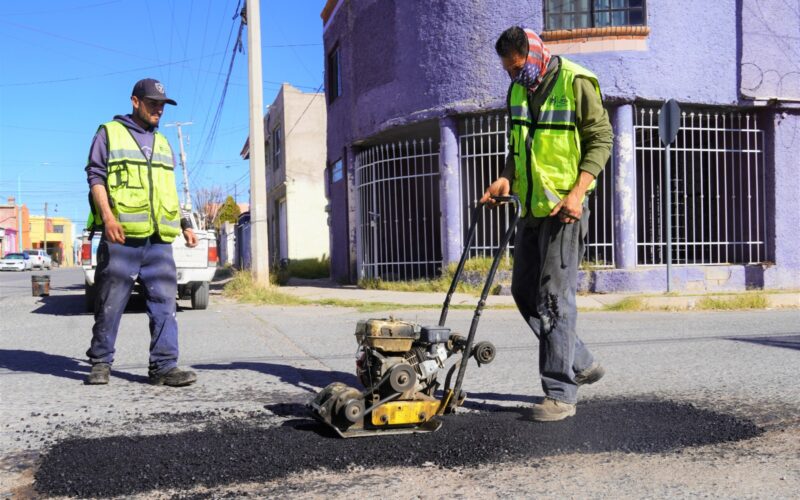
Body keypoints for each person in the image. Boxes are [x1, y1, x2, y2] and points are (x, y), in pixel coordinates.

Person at [481, 28, 613, 421]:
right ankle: (582, 360)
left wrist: (578, 193)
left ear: (535, 55)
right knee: (523, 292)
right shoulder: (518, 92)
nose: (513, 77)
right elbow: (518, 146)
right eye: (507, 71)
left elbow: (601, 138)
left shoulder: (576, 81)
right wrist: (506, 178)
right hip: (531, 209)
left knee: (553, 299)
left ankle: (560, 393)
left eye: (518, 69)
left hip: (564, 208)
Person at [84, 78, 198, 387]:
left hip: (159, 240)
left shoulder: (162, 142)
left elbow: (169, 190)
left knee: (164, 303)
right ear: (135, 102)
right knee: (111, 302)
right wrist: (107, 218)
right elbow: (96, 177)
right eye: (152, 103)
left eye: (162, 105)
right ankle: (101, 362)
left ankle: (163, 366)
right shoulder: (110, 133)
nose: (158, 109)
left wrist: (186, 224)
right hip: (122, 238)